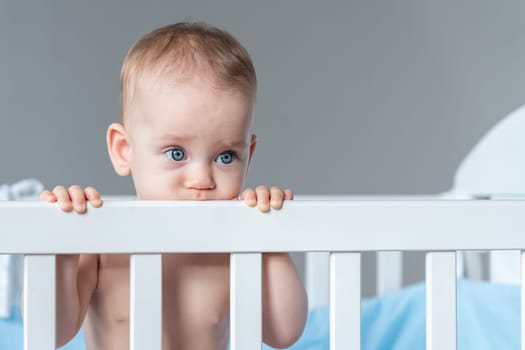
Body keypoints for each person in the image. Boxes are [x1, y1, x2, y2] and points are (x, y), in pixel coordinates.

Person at [39, 22, 307, 350]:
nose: (202, 180)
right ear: (124, 151)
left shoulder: (236, 245)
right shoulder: (101, 242)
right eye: (176, 153)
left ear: (247, 157)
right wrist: (62, 250)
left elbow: (284, 333)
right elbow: (50, 331)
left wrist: (271, 240)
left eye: (225, 157)